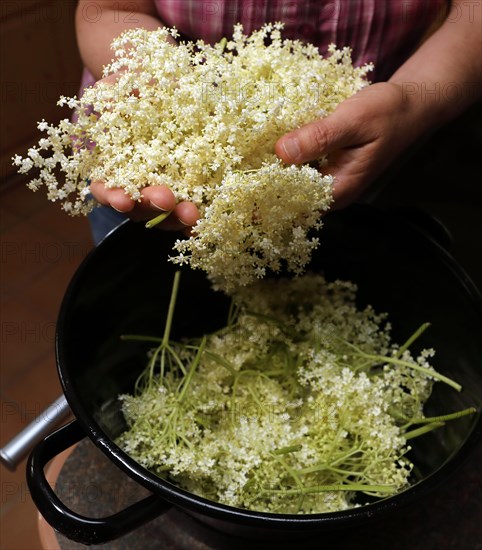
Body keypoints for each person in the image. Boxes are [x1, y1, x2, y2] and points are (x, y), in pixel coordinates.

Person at [75, 0, 482, 242]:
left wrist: (411, 102)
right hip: (155, 155)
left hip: (373, 155)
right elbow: (111, 8)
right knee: (145, 299)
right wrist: (155, 80)